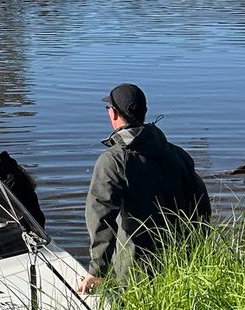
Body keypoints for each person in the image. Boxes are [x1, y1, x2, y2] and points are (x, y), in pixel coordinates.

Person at [77, 82, 211, 294]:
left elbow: (101, 216)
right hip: (178, 266)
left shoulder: (113, 161)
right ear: (144, 112)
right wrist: (196, 255)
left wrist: (97, 270)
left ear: (113, 114)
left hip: (133, 274)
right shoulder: (178, 154)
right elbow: (201, 207)